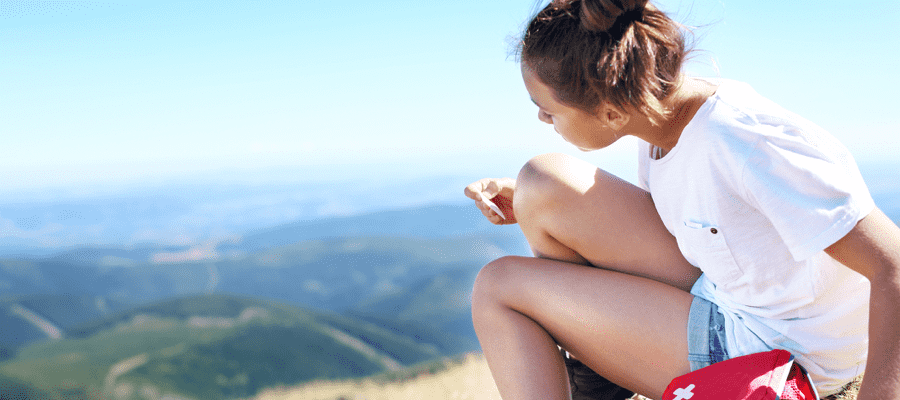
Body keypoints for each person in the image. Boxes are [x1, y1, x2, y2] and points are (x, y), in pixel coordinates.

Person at [463, 1, 900, 399]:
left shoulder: (748, 144)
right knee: (543, 183)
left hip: (778, 350)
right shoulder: (669, 118)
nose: (541, 117)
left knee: (498, 287)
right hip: (733, 294)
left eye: (548, 109)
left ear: (612, 113)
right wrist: (530, 205)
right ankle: (601, 384)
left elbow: (892, 265)